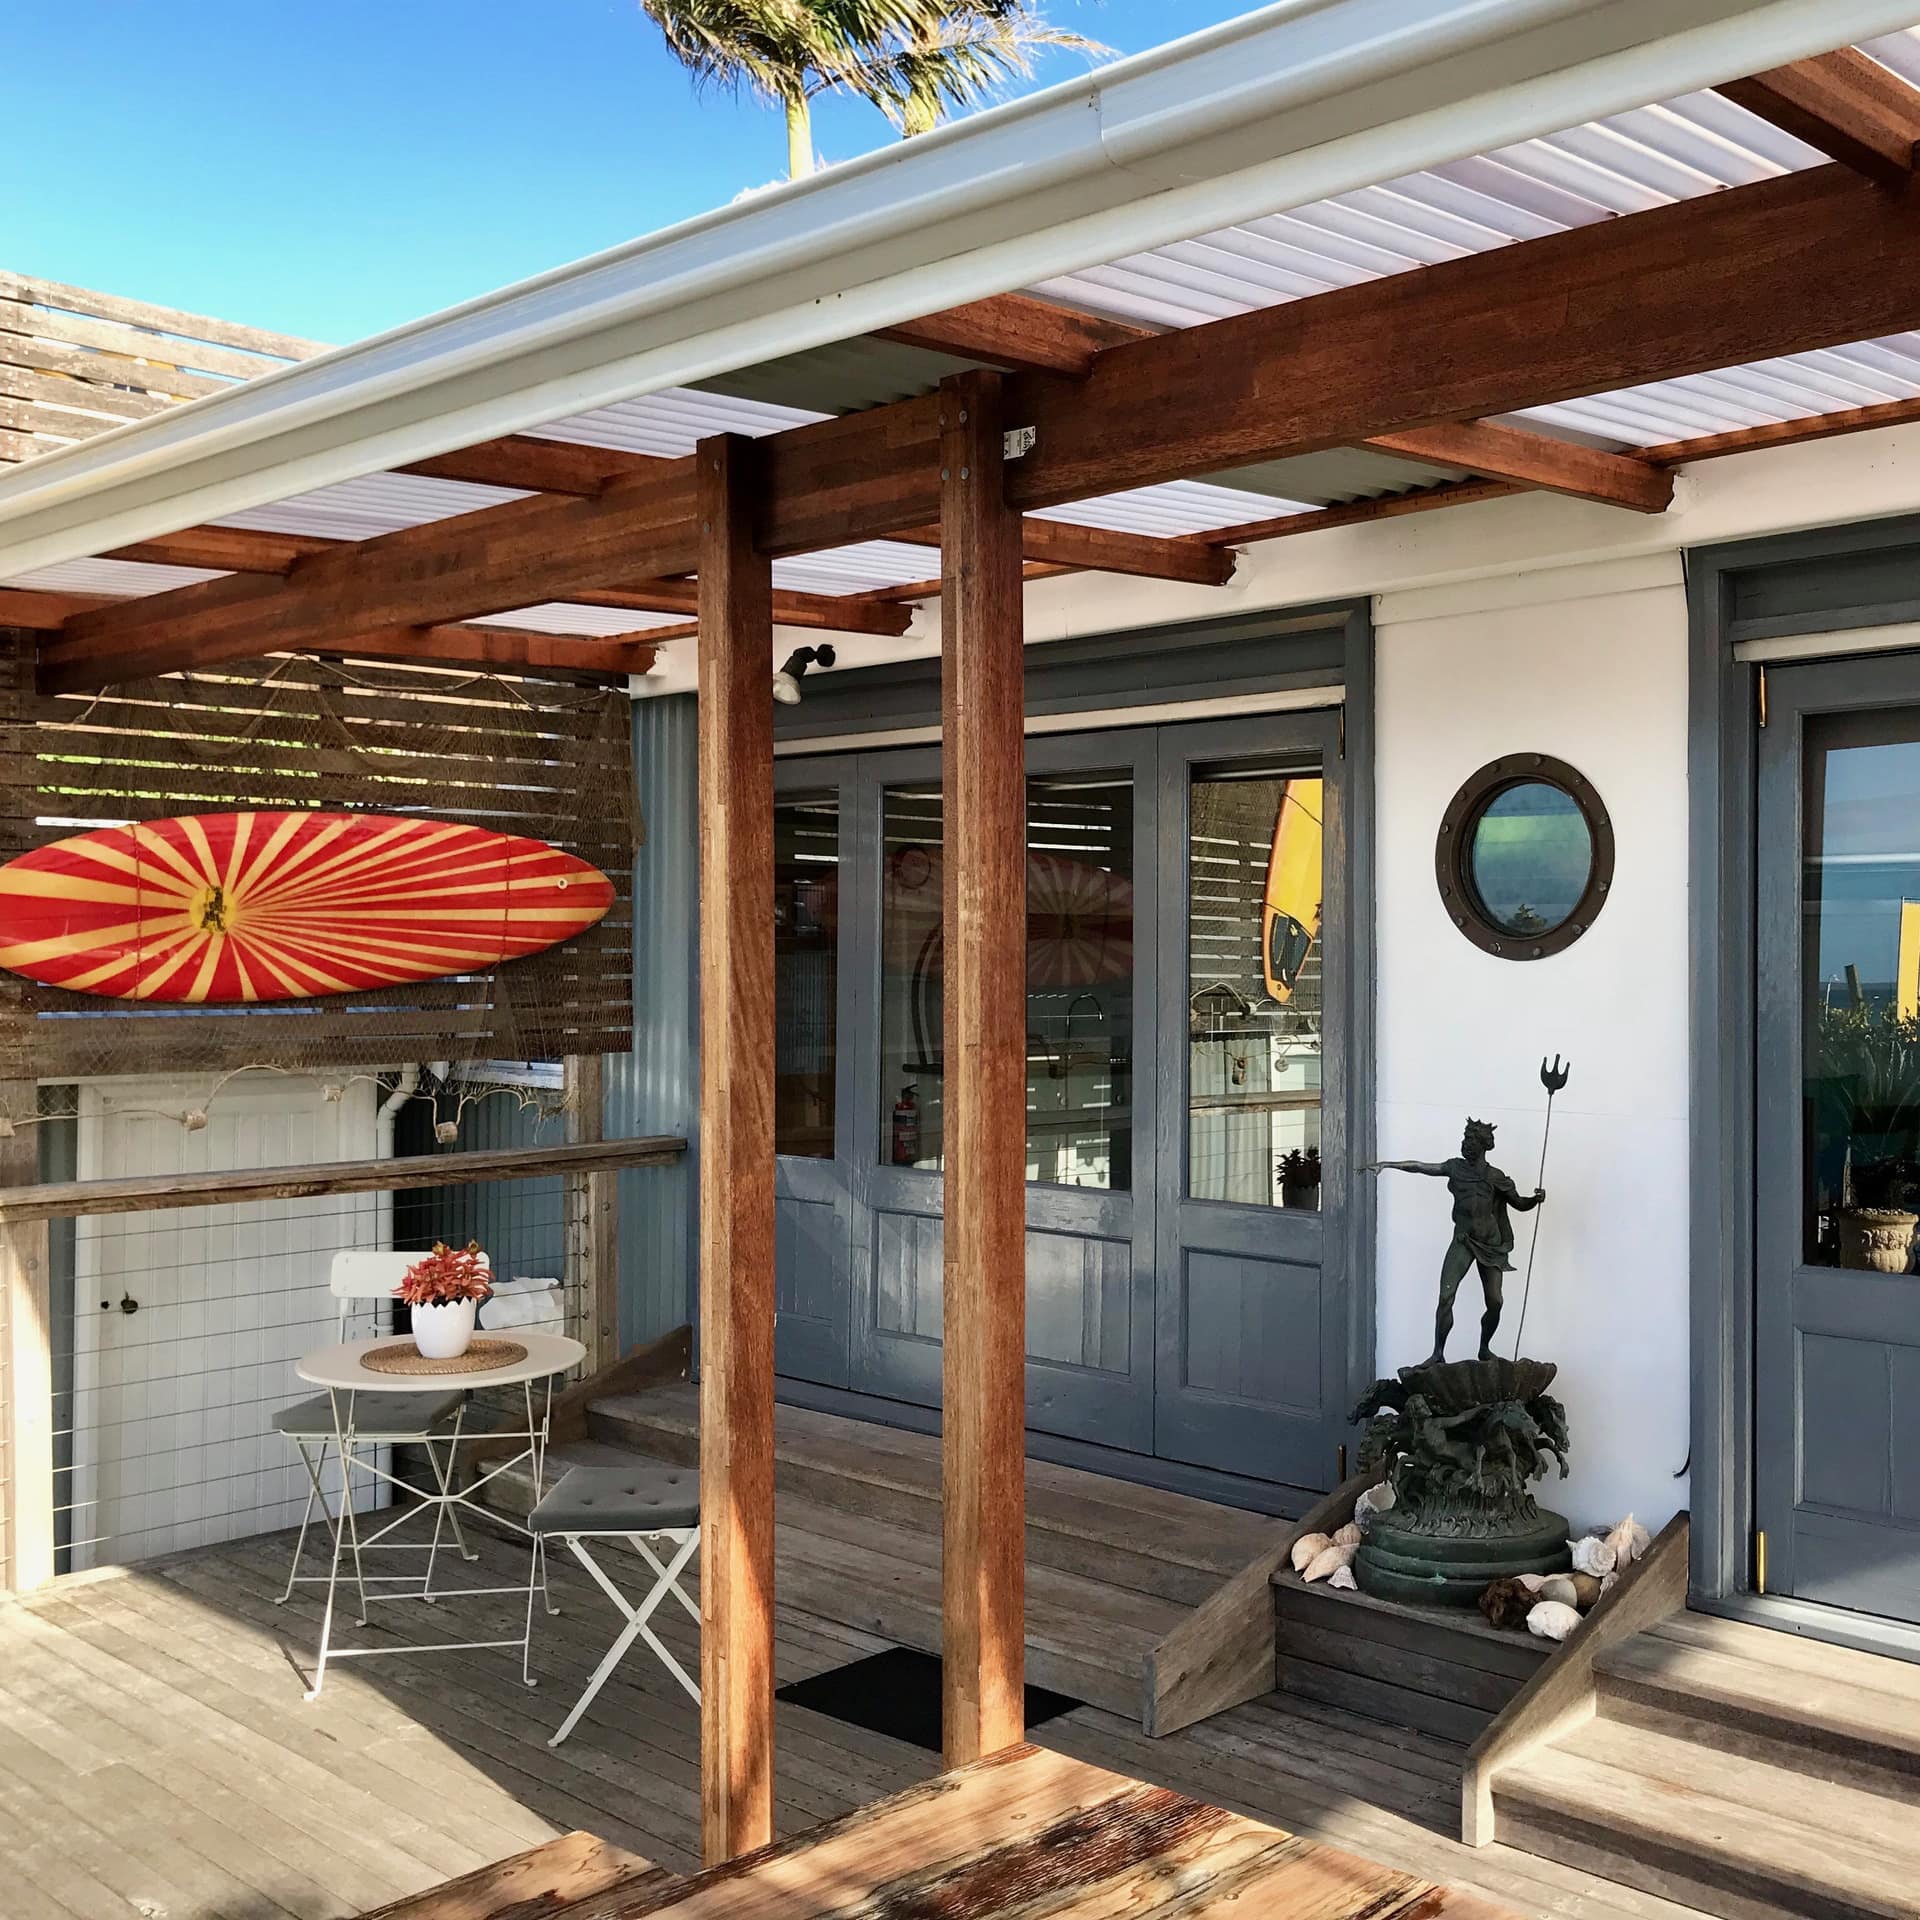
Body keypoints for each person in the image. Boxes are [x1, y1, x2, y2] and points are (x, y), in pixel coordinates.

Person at [1370, 1118, 1544, 1363]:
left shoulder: (1495, 1177)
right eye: (1465, 1140)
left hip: (1491, 1245)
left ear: (1484, 1145)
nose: (1466, 1144)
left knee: (1495, 1302)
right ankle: (1438, 1353)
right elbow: (1421, 1166)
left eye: (1471, 1141)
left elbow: (1519, 1203)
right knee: (1445, 1297)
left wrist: (1535, 1199)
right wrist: (1387, 1164)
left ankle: (1484, 1348)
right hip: (1463, 1240)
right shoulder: (1455, 1167)